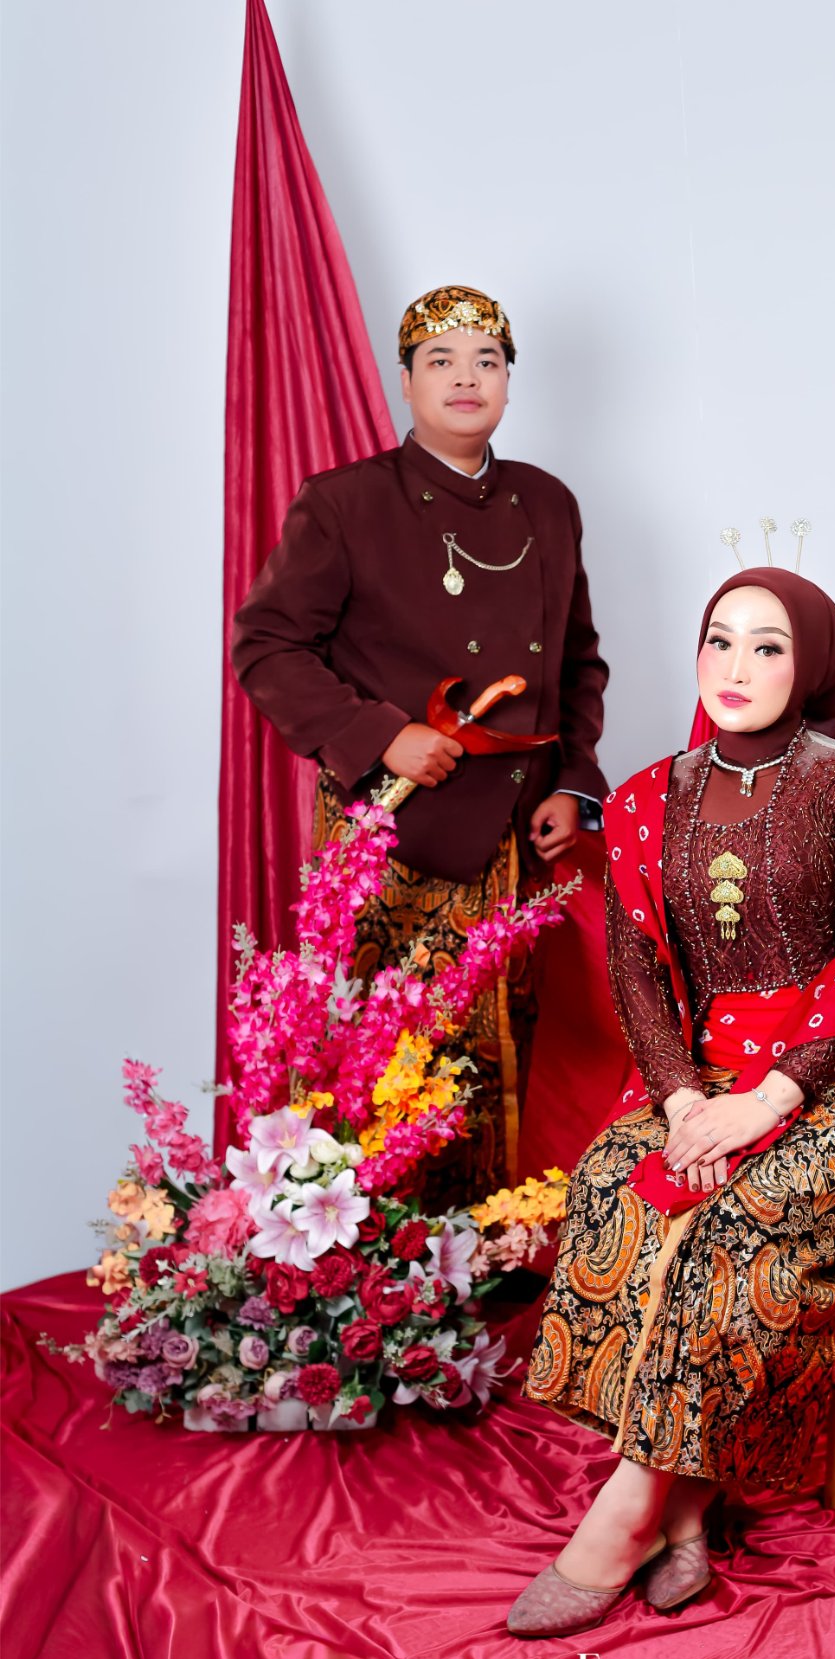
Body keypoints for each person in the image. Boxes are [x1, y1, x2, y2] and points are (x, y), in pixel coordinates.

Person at [509, 567, 835, 1637]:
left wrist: (769, 1103)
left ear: (812, 666)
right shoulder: (645, 798)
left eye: (768, 646)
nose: (736, 666)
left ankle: (625, 1514)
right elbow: (635, 970)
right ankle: (686, 1509)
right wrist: (680, 1105)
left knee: (739, 1217)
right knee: (613, 1185)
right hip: (697, 1077)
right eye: (720, 639)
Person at [231, 285, 608, 1206]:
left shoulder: (548, 503)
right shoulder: (344, 503)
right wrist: (379, 735)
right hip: (393, 831)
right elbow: (266, 646)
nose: (466, 378)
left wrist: (574, 780)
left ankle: (487, 1257)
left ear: (509, 381)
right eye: (441, 360)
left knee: (503, 1056)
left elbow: (577, 661)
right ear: (406, 381)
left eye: (487, 360)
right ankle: (373, 1264)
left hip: (518, 831)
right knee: (386, 1069)